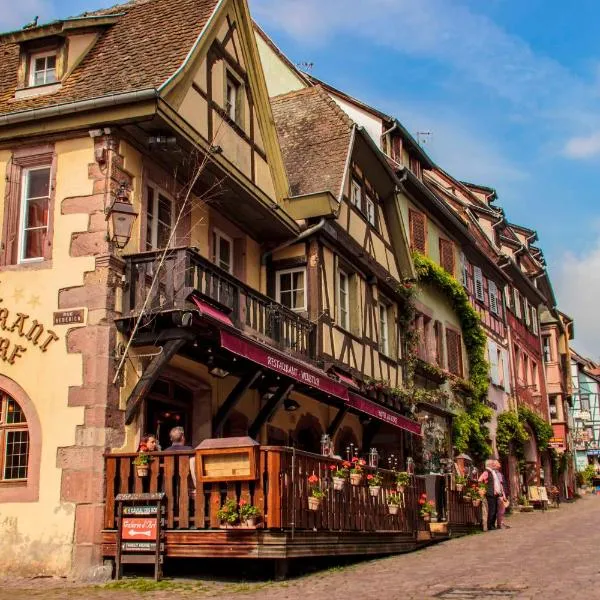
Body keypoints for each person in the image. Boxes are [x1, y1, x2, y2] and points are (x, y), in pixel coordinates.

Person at [478, 458, 502, 531]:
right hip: (490, 493)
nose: (494, 464)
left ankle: (492, 525)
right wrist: (484, 489)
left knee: (495, 510)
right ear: (490, 465)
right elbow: (479, 480)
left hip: (495, 494)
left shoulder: (492, 472)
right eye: (493, 464)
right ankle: (489, 525)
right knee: (492, 510)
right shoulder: (487, 472)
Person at [494, 460, 510, 529]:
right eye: (498, 463)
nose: (499, 464)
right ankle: (500, 523)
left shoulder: (497, 473)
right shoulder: (497, 473)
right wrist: (504, 495)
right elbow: (500, 485)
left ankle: (500, 523)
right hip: (500, 493)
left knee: (500, 509)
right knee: (501, 509)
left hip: (499, 493)